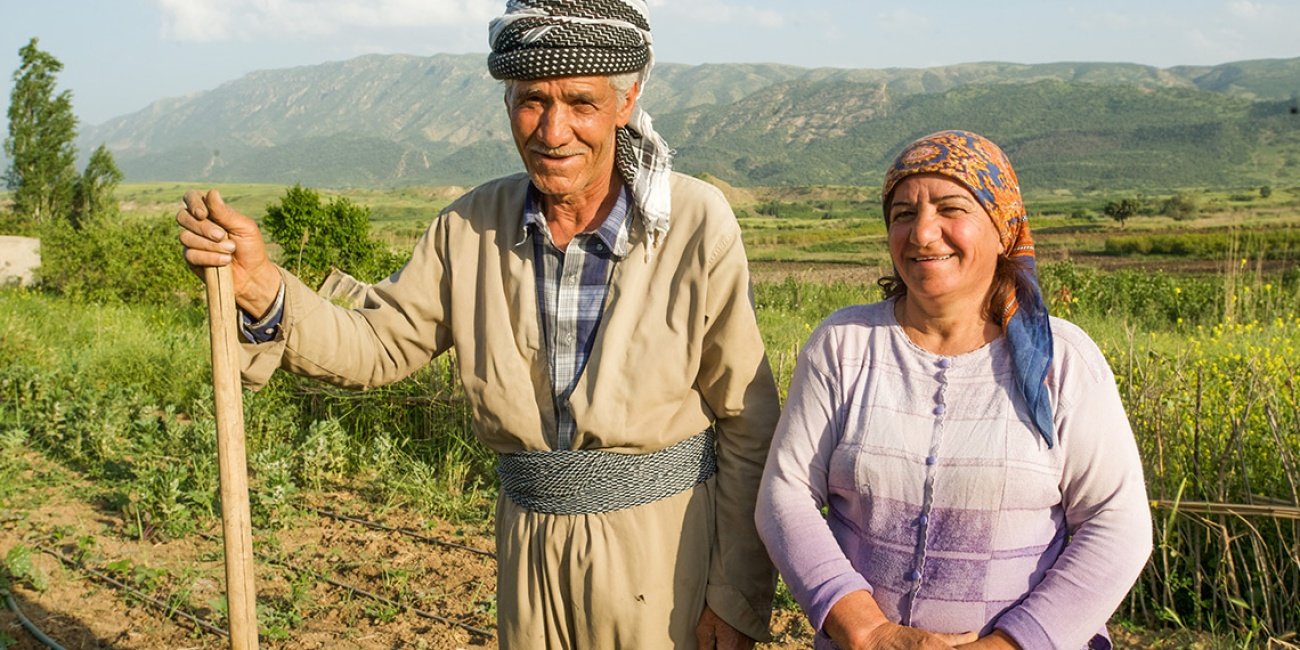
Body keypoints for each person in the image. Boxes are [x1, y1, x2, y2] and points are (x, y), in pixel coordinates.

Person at [176, 1, 780, 647]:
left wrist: (735, 597)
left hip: (666, 551)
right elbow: (376, 345)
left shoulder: (693, 222)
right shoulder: (467, 227)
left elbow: (749, 421)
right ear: (506, 103)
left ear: (625, 103)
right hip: (528, 549)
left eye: (580, 103)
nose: (552, 131)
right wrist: (261, 285)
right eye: (531, 101)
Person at [755, 130, 1152, 650]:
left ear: (1002, 227)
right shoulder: (844, 346)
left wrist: (1012, 644)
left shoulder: (1064, 361)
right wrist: (869, 631)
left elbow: (1116, 523)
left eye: (951, 208)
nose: (922, 234)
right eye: (902, 214)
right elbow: (784, 494)